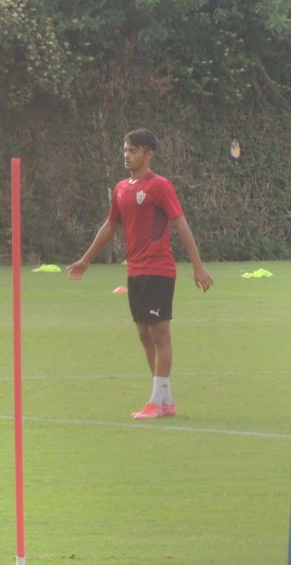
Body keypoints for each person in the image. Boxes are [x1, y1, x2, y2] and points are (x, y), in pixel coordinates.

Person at [67, 129, 212, 419]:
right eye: (125, 149)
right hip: (135, 271)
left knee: (160, 332)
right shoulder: (121, 189)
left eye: (133, 150)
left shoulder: (160, 186)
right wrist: (85, 259)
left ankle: (157, 402)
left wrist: (197, 265)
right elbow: (110, 226)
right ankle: (165, 400)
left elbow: (181, 224)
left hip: (159, 269)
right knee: (144, 333)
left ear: (149, 155)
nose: (126, 154)